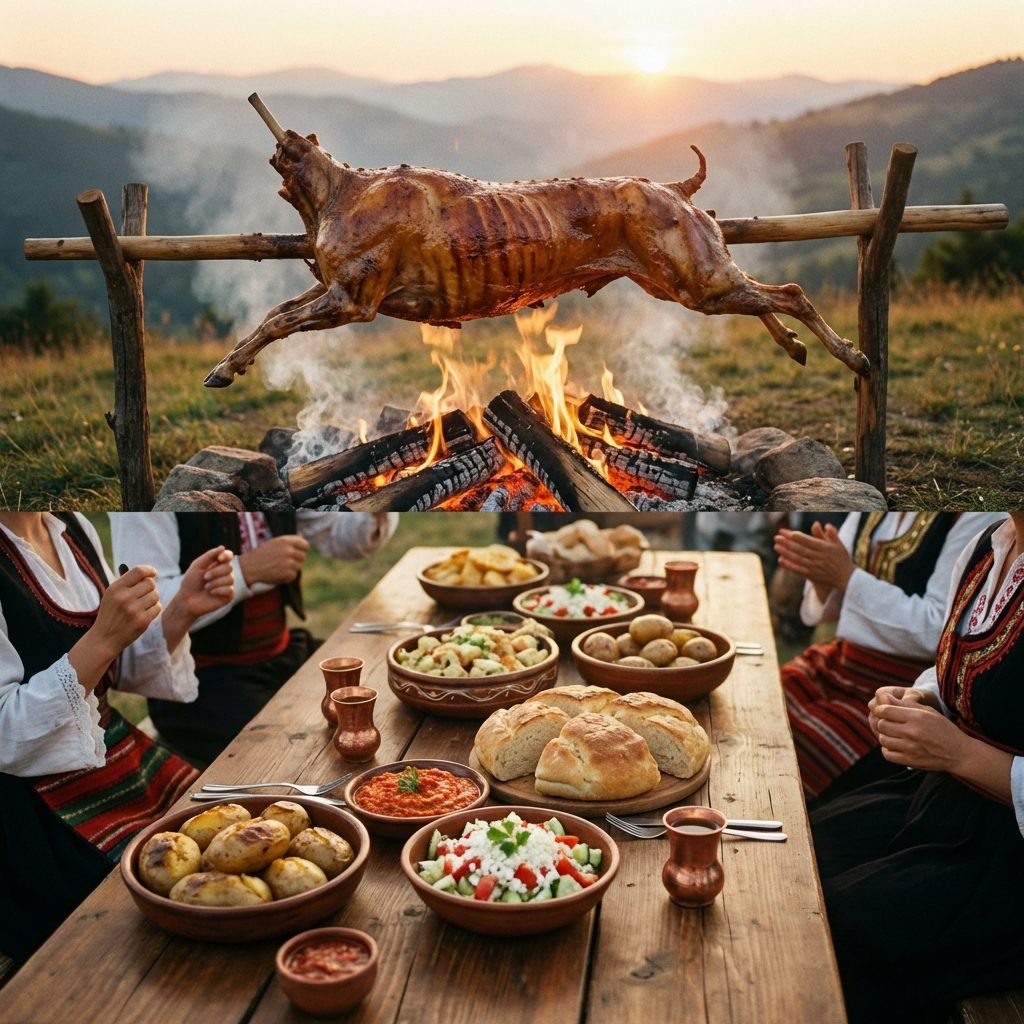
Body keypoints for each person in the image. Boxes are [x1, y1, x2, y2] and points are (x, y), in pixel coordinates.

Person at [810, 512, 1024, 1023]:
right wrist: (922, 697)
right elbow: (950, 656)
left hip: (1009, 861)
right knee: (805, 849)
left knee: (844, 920)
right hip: (946, 800)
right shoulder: (991, 542)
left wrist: (959, 753)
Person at [0, 512, 235, 964]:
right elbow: (6, 734)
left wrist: (183, 606)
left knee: (222, 840)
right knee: (162, 916)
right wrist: (104, 637)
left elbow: (116, 669)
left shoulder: (71, 525)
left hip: (116, 757)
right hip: (31, 812)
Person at [110, 512, 398, 766]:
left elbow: (340, 536)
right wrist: (246, 570)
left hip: (282, 653)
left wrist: (380, 499)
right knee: (303, 756)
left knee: (376, 696)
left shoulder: (271, 463)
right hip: (203, 685)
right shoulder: (146, 502)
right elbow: (147, 607)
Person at [774, 511, 1005, 800]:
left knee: (798, 747)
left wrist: (846, 577)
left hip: (894, 685)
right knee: (765, 706)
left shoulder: (973, 518)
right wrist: (825, 579)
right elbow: (831, 596)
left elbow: (939, 627)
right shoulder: (869, 508)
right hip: (840, 662)